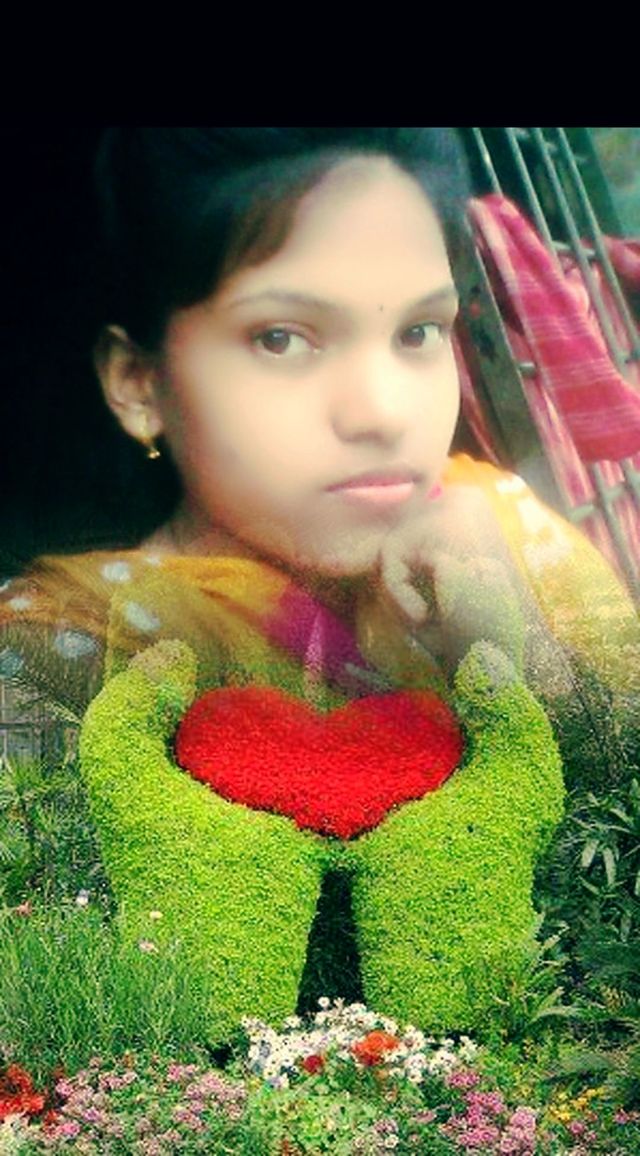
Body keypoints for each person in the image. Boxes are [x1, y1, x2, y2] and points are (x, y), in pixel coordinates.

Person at [1, 128, 638, 1034]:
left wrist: (505, 636)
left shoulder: (512, 542)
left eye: (419, 331)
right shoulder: (55, 648)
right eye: (283, 338)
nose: (382, 411)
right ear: (139, 382)